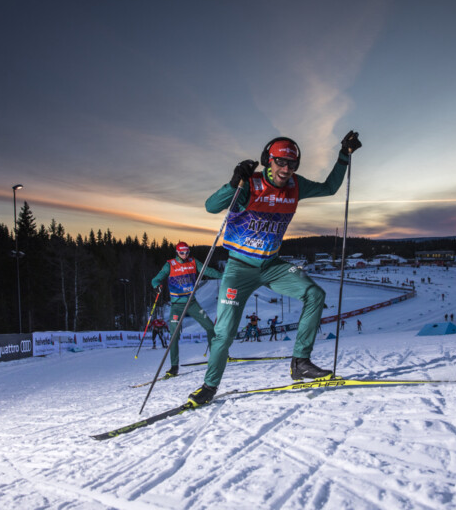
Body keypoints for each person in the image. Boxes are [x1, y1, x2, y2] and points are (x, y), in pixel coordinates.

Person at [187, 131, 362, 407]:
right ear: (268, 161)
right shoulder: (251, 184)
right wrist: (234, 183)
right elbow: (211, 207)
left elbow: (329, 188)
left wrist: (344, 156)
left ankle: (300, 362)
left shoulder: (296, 185)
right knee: (226, 331)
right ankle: (209, 386)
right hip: (240, 268)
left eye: (292, 165)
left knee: (314, 294)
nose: (286, 169)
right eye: (280, 162)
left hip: (272, 265)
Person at [151, 241, 222, 377]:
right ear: (177, 252)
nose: (185, 255)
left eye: (187, 252)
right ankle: (174, 367)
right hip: (177, 305)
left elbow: (207, 270)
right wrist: (157, 285)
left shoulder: (193, 262)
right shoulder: (170, 264)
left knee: (210, 327)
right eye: (182, 252)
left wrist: (223, 276)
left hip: (192, 303)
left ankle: (215, 358)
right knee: (174, 336)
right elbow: (156, 279)